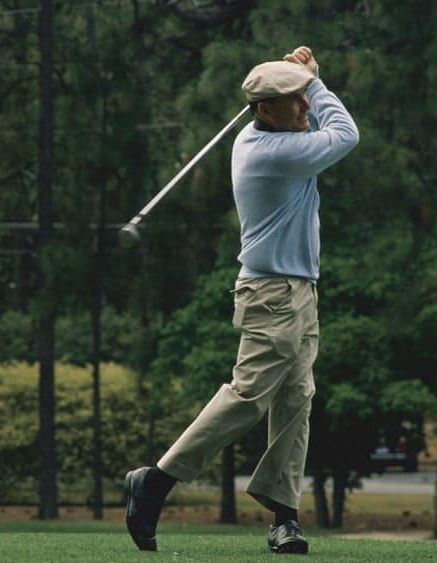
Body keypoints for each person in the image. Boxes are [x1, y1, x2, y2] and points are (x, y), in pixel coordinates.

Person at [125, 45, 359, 555]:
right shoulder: (271, 153)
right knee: (249, 394)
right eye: (293, 102)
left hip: (300, 289)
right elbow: (346, 134)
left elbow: (324, 128)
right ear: (263, 110)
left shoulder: (276, 135)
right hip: (272, 294)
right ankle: (155, 482)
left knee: (296, 401)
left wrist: (302, 80)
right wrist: (314, 83)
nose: (304, 108)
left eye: (303, 100)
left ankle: (284, 518)